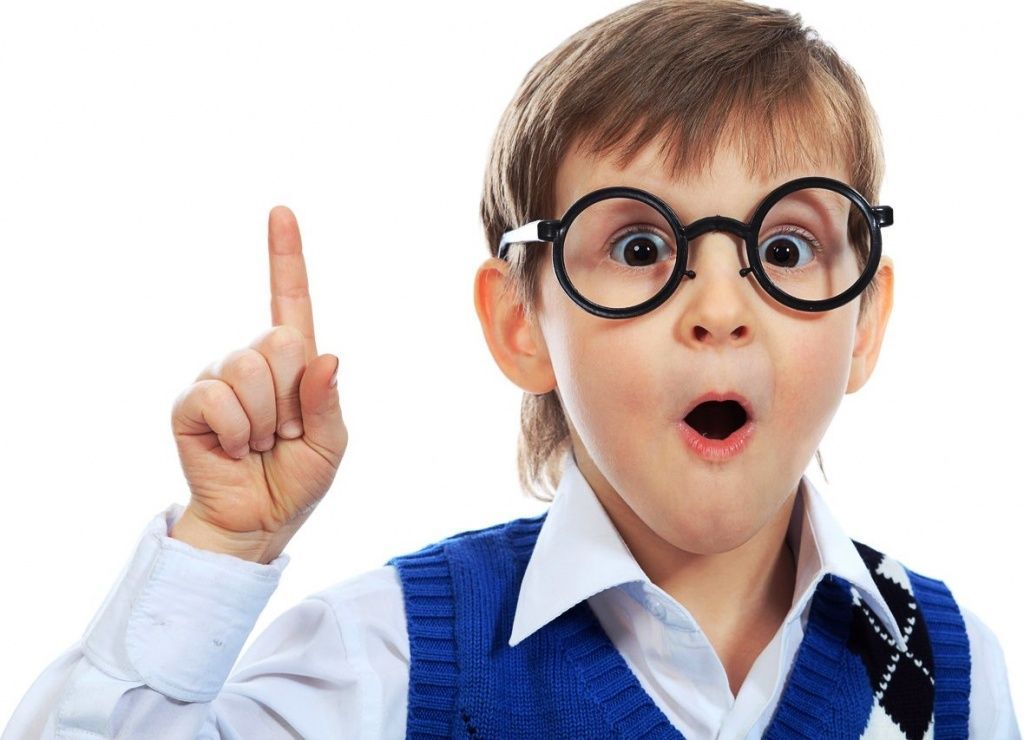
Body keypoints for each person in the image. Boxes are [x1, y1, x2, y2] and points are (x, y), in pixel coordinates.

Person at [3, 0, 1019, 737]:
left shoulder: (949, 667)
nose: (720, 309)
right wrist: (223, 544)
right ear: (521, 321)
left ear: (865, 319)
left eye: (786, 248)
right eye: (640, 246)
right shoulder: (398, 659)